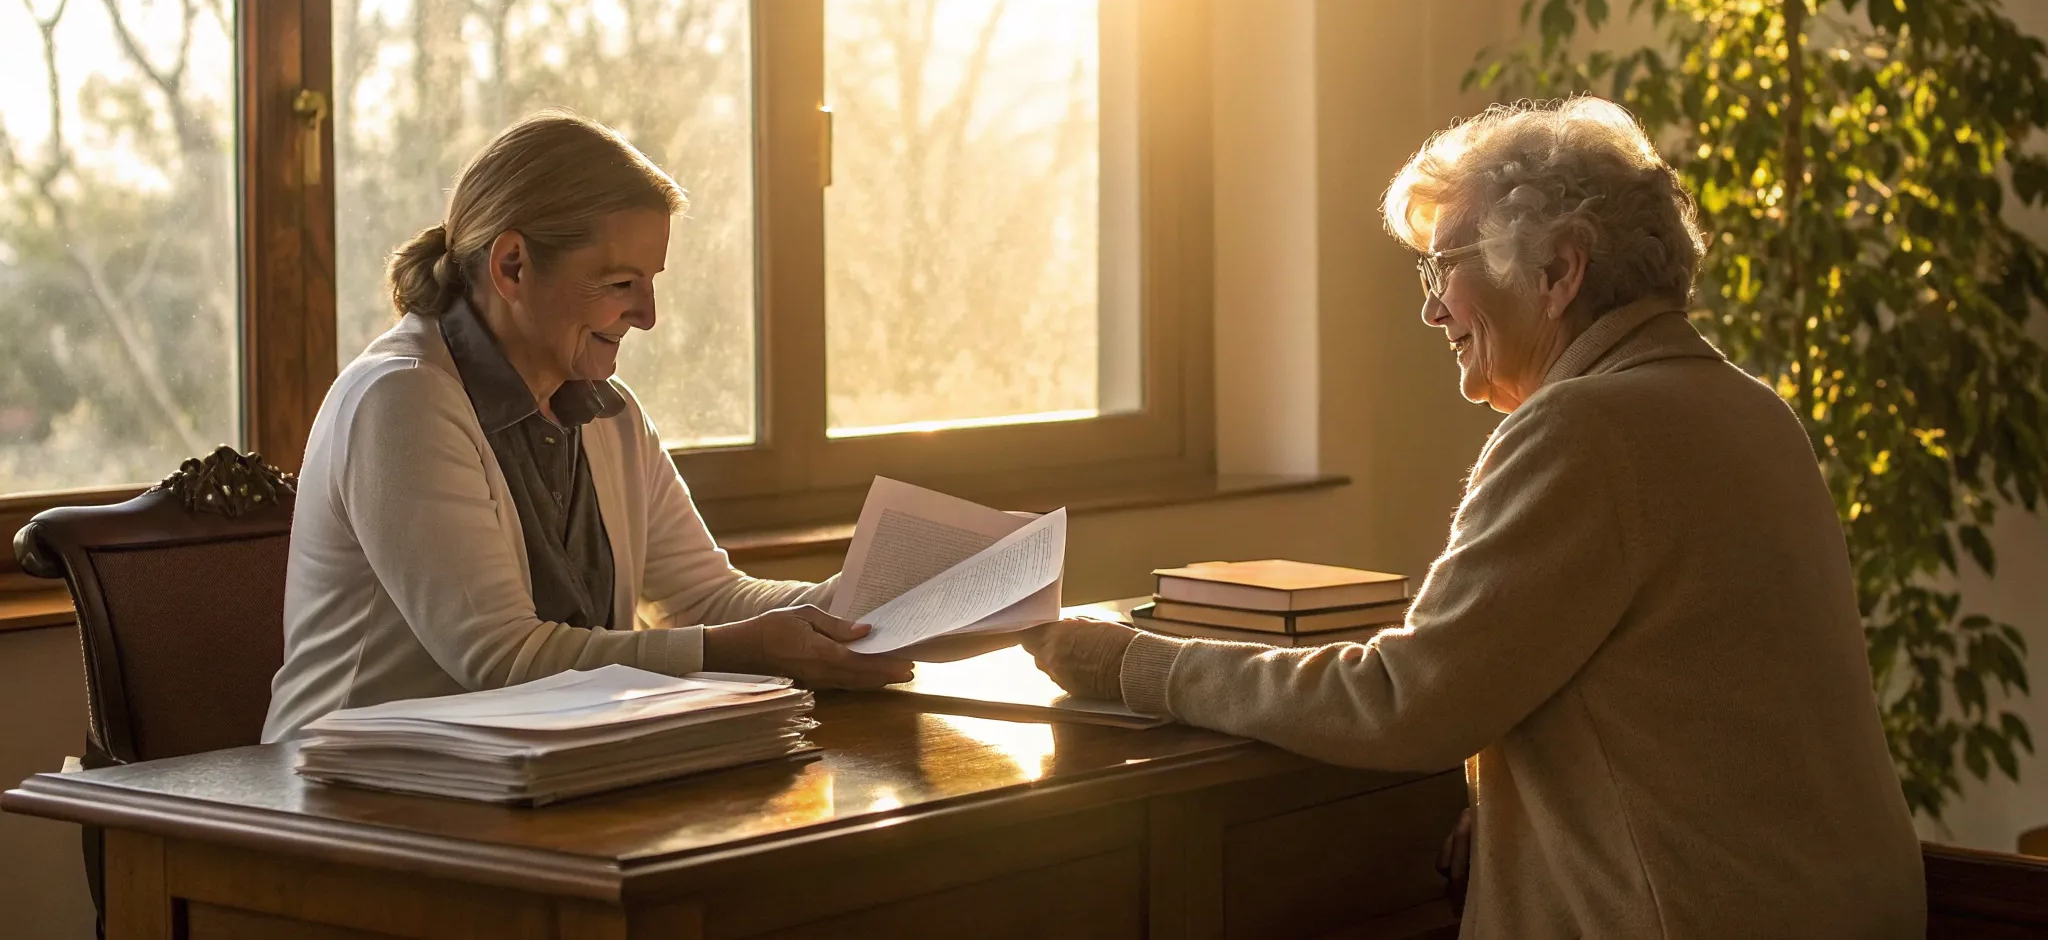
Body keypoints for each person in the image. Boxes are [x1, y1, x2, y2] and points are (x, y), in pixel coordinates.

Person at [1022, 98, 1924, 937]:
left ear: (1559, 271)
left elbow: (1406, 704)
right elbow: (1678, 704)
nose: (1430, 307)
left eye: (1444, 267)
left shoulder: (1584, 427)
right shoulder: (1749, 408)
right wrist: (1512, 817)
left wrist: (1139, 665)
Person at [264, 111, 910, 740]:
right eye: (621, 282)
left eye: (651, 281)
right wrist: (745, 650)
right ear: (512, 265)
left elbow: (706, 600)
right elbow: (500, 660)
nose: (648, 315)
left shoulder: (612, 413)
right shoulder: (400, 400)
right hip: (349, 794)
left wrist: (872, 599)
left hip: (534, 778)